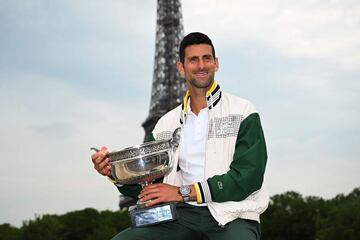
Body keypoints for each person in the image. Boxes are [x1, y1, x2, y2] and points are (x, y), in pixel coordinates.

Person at [91, 32, 268, 240]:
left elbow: (249, 176)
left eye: (207, 58)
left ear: (216, 63)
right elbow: (146, 185)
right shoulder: (165, 124)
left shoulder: (243, 111)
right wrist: (113, 172)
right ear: (181, 67)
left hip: (232, 215)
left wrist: (182, 192)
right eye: (193, 59)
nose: (201, 65)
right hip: (179, 216)